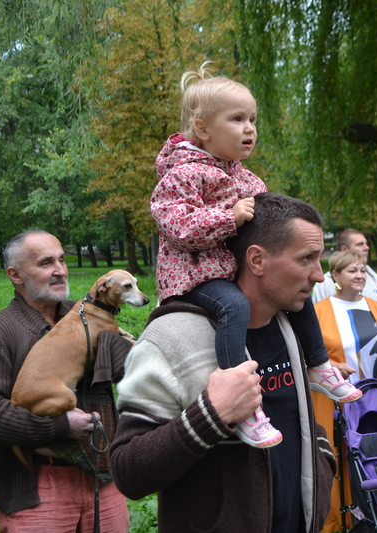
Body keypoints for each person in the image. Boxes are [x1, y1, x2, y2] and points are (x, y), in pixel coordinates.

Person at [150, 63, 359, 448]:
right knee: (234, 307)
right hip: (194, 276)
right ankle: (243, 401)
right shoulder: (182, 174)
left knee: (300, 294)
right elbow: (176, 225)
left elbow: (266, 226)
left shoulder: (246, 178)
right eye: (237, 119)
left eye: (252, 119)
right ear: (202, 129)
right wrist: (227, 218)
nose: (250, 128)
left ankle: (318, 365)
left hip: (227, 268)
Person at [111, 192, 336, 532]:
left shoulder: (290, 326)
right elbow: (128, 471)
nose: (319, 275)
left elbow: (296, 417)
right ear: (257, 260)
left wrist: (322, 458)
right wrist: (211, 414)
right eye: (307, 259)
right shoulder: (171, 336)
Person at [0, 230, 131, 532]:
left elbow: (122, 371)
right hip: (40, 486)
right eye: (46, 263)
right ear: (16, 275)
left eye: (62, 260)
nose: (60, 270)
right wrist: (59, 427)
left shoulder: (88, 315)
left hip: (103, 479)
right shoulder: (0, 332)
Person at [312, 251, 377, 532]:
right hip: (335, 400)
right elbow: (310, 356)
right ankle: (338, 520)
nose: (360, 275)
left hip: (374, 399)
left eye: (363, 270)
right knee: (338, 457)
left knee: (374, 454)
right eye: (352, 271)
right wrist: (332, 365)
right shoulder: (319, 311)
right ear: (335, 276)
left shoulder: (376, 308)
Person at [312, 228, 377, 353]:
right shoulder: (325, 283)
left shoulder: (375, 278)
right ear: (344, 249)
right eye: (360, 244)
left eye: (366, 243)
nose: (367, 248)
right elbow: (319, 327)